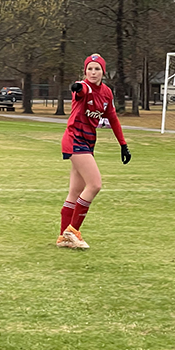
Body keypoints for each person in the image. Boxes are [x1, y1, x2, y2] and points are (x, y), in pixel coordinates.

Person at [58, 54, 131, 249]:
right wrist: (77, 88)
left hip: (88, 143)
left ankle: (63, 237)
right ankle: (72, 233)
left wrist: (123, 145)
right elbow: (80, 91)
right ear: (85, 71)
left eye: (97, 69)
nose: (93, 72)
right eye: (89, 68)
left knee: (75, 191)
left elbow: (113, 119)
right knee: (95, 185)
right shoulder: (84, 87)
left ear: (103, 72)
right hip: (75, 140)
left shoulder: (106, 92)